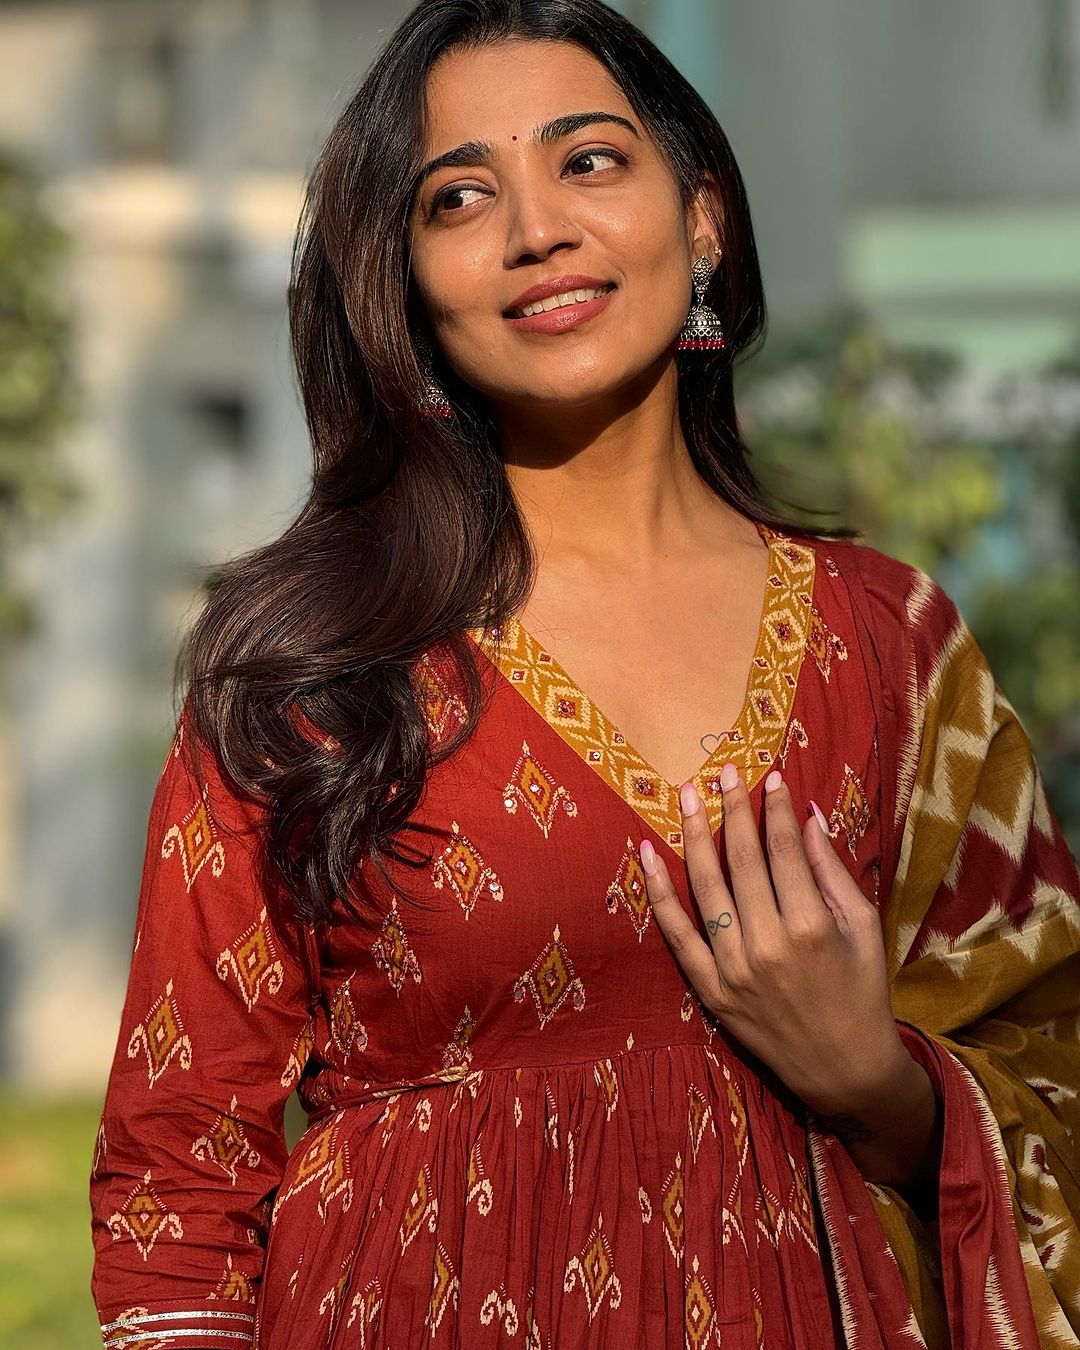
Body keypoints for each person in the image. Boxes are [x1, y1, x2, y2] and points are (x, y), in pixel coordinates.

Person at [88, 1, 1080, 1346]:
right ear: (407, 278)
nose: (536, 227)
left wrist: (884, 1085)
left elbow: (1054, 1073)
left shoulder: (890, 643)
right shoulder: (313, 666)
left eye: (591, 160)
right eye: (459, 196)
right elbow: (176, 1181)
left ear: (706, 214)